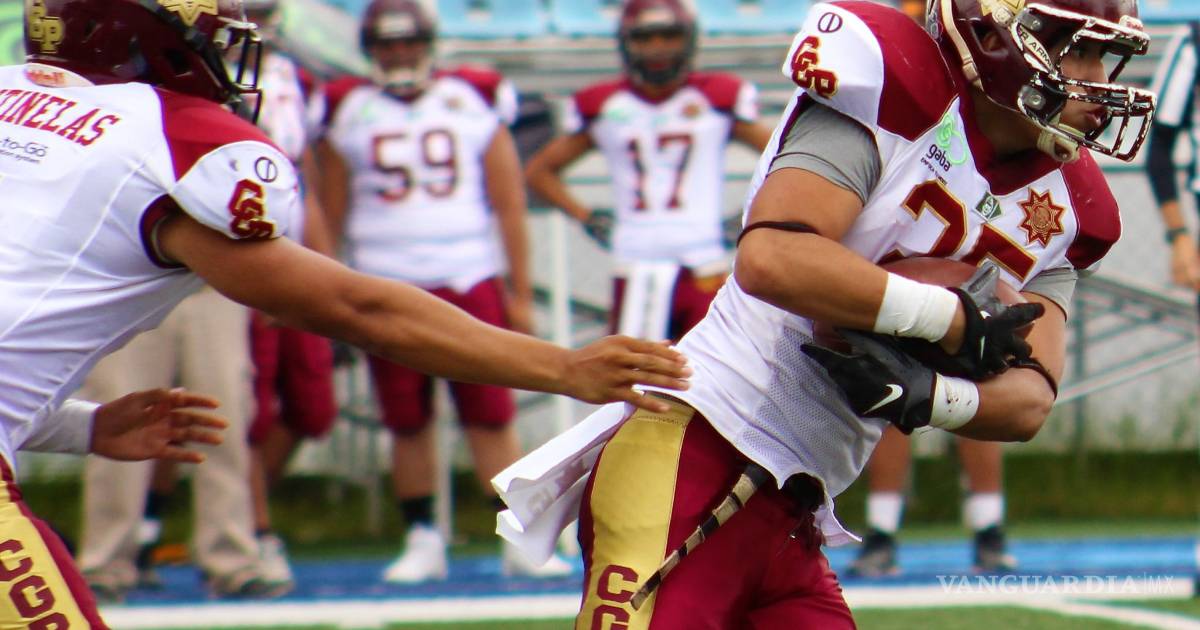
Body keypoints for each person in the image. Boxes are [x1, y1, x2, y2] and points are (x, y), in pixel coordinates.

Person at [0, 0, 690, 626]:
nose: (225, 57)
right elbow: (359, 309)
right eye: (211, 39)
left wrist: (80, 427)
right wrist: (563, 367)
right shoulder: (168, 143)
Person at [496, 0, 1155, 626]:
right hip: (695, 455)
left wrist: (930, 395)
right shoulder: (898, 88)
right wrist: (945, 319)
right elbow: (773, 258)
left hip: (793, 508)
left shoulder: (1074, 208)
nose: (1098, 81)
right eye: (1076, 51)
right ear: (991, 35)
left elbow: (1032, 396)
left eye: (1105, 56)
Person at [316, 0, 573, 583]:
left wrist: (519, 292)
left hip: (468, 273)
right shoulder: (345, 107)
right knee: (406, 419)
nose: (399, 54)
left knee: (490, 414)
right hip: (383, 278)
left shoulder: (473, 96)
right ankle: (422, 537)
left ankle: (518, 535)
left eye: (408, 42)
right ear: (370, 49)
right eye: (388, 44)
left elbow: (508, 202)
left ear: (428, 44)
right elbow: (331, 210)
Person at [849, 0, 1017, 579]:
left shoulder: (993, 45)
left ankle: (988, 526)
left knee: (980, 382)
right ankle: (882, 528)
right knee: (891, 387)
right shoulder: (902, 45)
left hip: (972, 244)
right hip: (898, 250)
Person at [524, 0, 773, 342]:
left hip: (703, 260)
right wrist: (585, 216)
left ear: (688, 39)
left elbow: (783, 156)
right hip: (636, 262)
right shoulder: (604, 105)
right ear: (625, 42)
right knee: (636, 372)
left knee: (711, 369)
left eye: (669, 36)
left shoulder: (716, 98)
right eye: (645, 37)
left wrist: (752, 217)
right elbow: (539, 172)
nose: (658, 48)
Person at [76, 289, 274, 602]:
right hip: (133, 283)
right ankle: (104, 564)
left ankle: (232, 559)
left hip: (215, 284)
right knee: (118, 424)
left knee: (224, 423)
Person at [238, 0, 338, 590]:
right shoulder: (193, 73)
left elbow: (304, 177)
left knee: (312, 407)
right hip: (237, 262)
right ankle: (256, 528)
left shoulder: (292, 77)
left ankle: (241, 508)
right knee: (245, 413)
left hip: (293, 258)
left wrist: (327, 269)